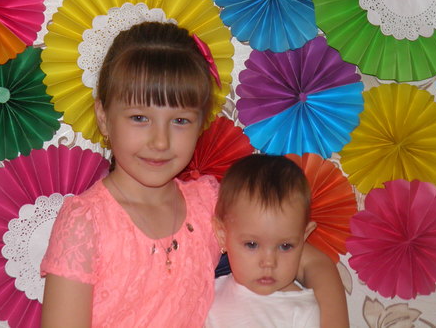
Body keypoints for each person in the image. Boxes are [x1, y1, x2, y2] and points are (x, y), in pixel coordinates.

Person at [40, 22, 348, 328]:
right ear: (104, 118)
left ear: (200, 124)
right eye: (139, 117)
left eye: (180, 121)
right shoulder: (85, 222)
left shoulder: (209, 204)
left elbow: (312, 262)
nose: (160, 141)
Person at [206, 154, 321, 327]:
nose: (269, 262)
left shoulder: (303, 311)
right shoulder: (208, 295)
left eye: (285, 246)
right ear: (223, 235)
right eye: (252, 245)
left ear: (304, 237)